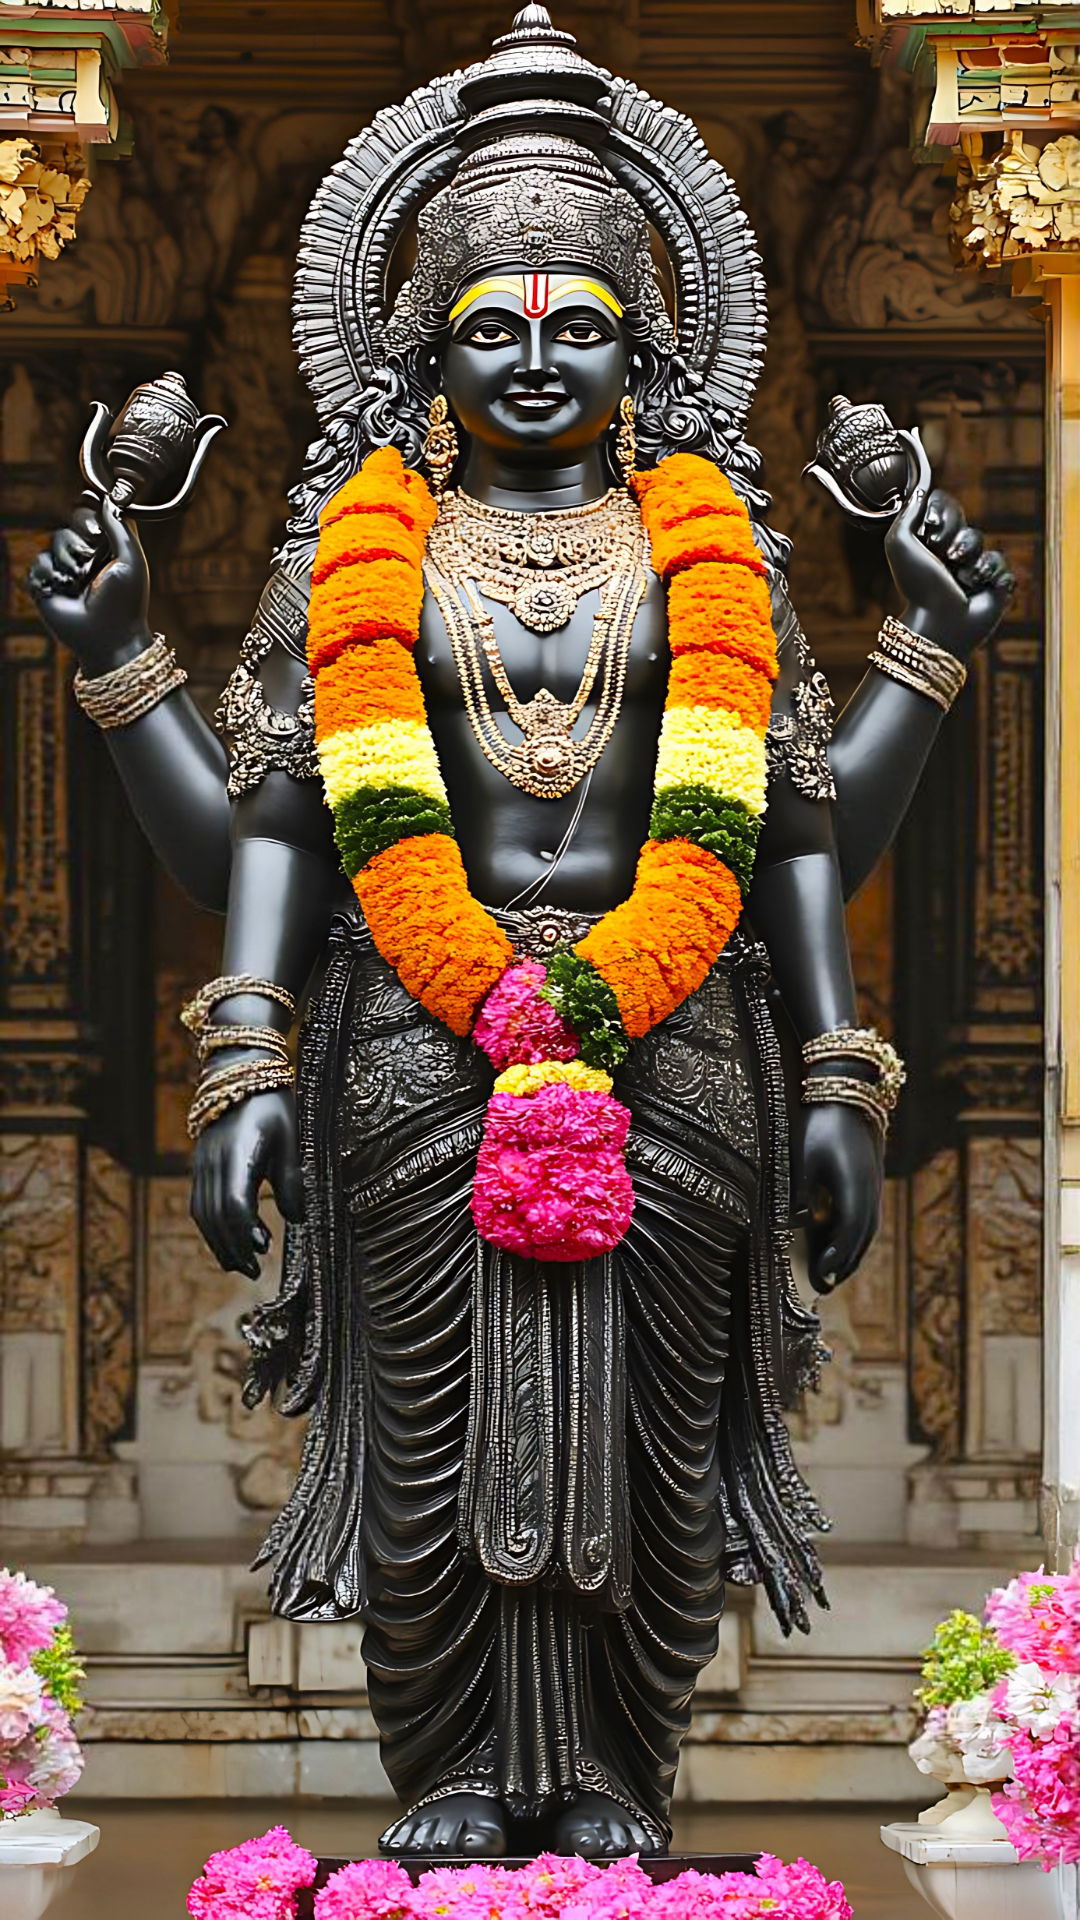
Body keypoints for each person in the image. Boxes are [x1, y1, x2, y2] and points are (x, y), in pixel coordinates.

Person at [30, 9, 1013, 1859]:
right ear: (424, 351)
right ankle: (463, 1786)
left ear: (645, 349)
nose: (539, 361)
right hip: (408, 1048)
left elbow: (796, 832)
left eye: (581, 327)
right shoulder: (357, 550)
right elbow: (275, 830)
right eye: (494, 325)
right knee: (437, 1433)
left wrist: (839, 1075)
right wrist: (239, 1048)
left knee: (650, 1446)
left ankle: (620, 1789)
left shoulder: (710, 546)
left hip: (681, 1055)